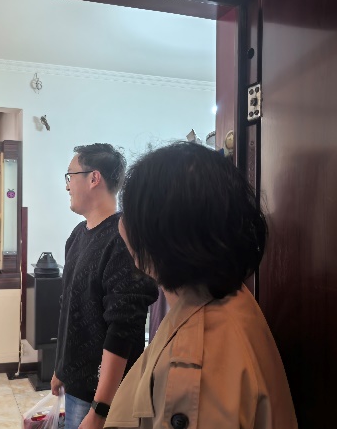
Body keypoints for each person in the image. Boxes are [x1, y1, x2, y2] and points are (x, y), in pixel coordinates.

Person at [105, 142, 298, 429]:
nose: (122, 224)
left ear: (162, 234)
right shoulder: (223, 295)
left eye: (130, 213)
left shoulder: (193, 363)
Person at [51, 143, 159, 429]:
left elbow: (123, 329)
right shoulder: (77, 235)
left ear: (94, 178)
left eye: (70, 176)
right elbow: (70, 308)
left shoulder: (123, 238)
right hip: (76, 387)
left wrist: (100, 410)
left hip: (102, 398)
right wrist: (61, 369)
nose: (67, 186)